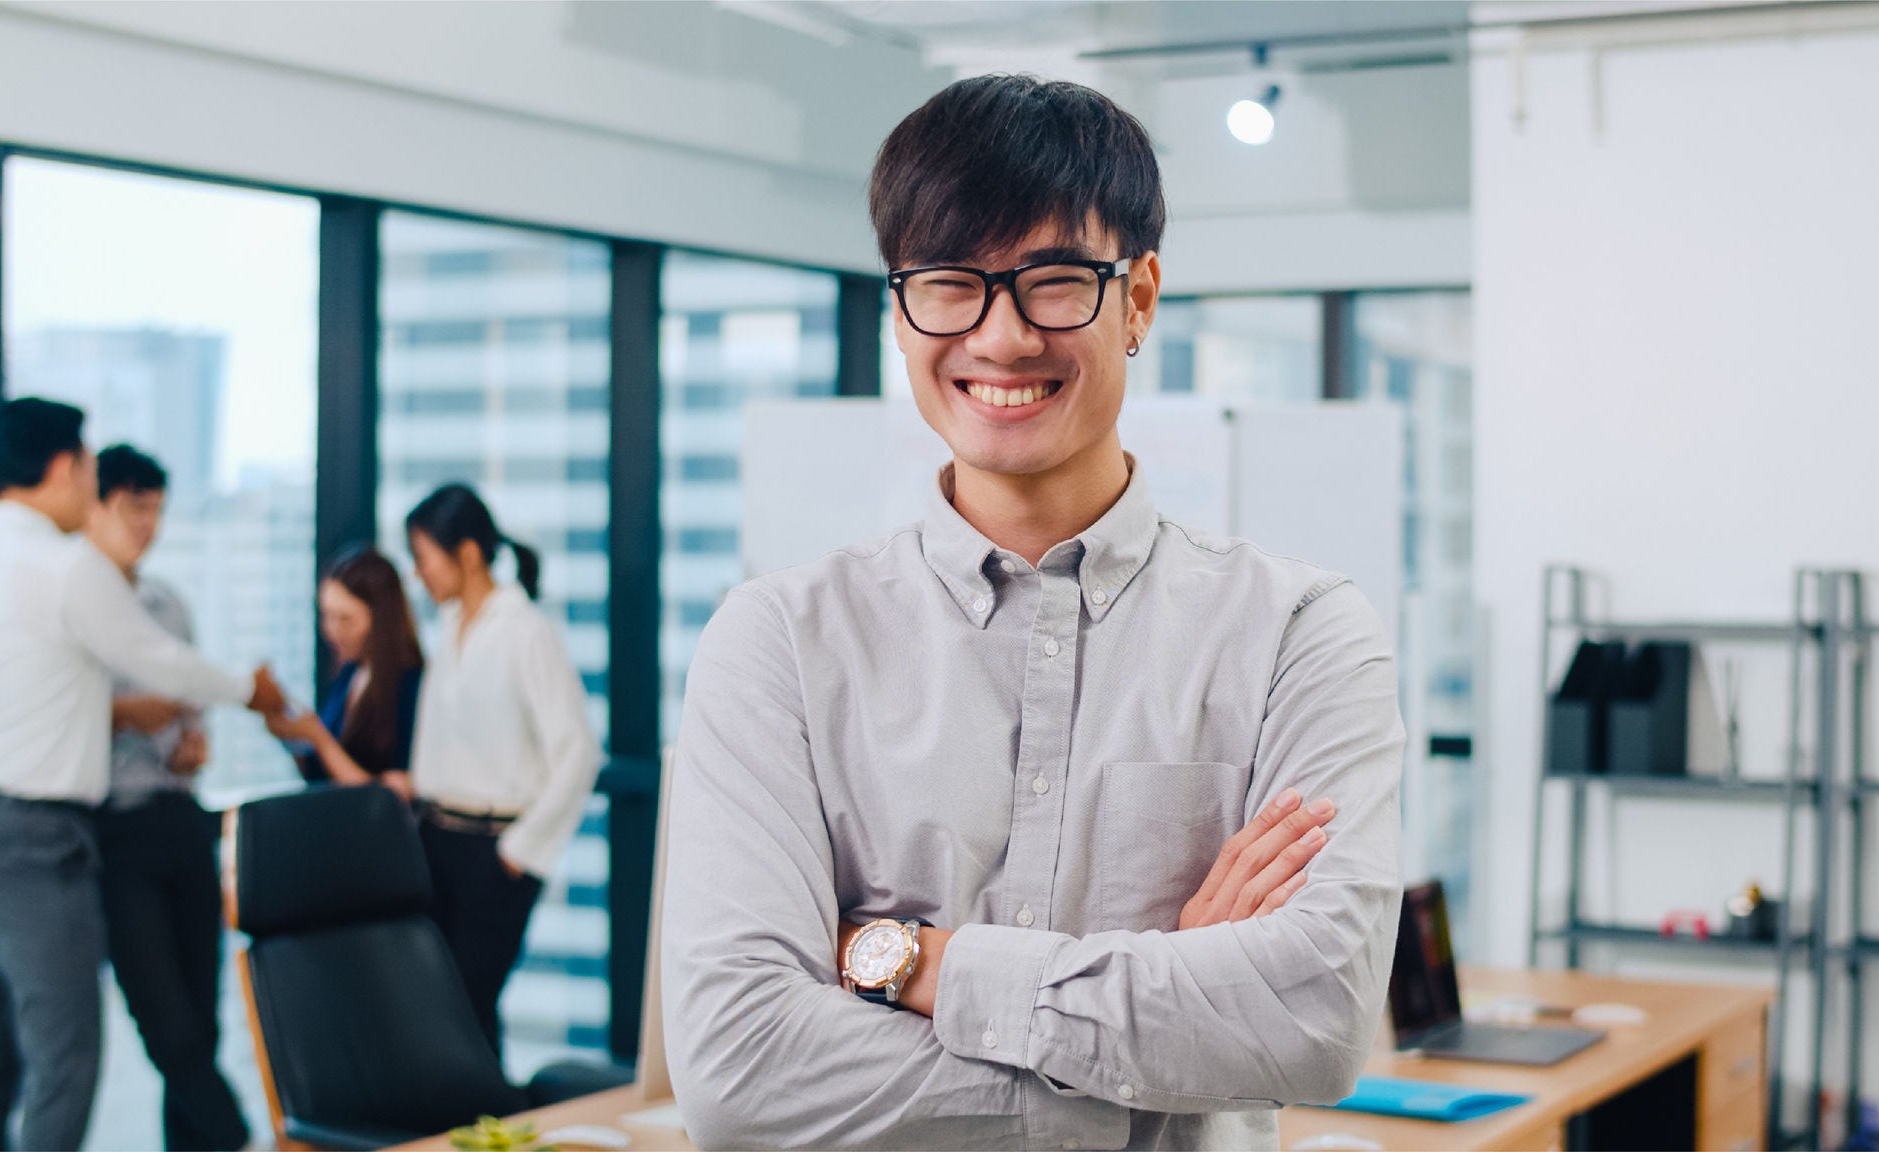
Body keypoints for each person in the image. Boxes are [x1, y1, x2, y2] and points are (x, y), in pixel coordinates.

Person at [663, 76, 1405, 1150]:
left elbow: (1314, 1021)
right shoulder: (776, 641)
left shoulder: (1298, 632)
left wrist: (909, 961)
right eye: (950, 284)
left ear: (1138, 298)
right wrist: (1161, 1041)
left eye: (1054, 281)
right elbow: (738, 1072)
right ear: (899, 304)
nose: (1002, 336)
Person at [0, 399, 284, 1152]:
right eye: (92, 476)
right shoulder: (64, 566)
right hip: (47, 835)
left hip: (77, 830)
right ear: (64, 469)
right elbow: (159, 662)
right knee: (69, 1053)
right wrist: (251, 691)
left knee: (10, 1051)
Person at [84, 445, 251, 1152]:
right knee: (169, 1031)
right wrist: (125, 715)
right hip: (113, 830)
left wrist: (189, 740)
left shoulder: (168, 604)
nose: (146, 524)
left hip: (181, 817)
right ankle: (241, 1139)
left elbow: (192, 716)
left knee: (203, 1026)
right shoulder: (69, 602)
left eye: (155, 508)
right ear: (96, 507)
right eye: (133, 508)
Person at [403, 483, 598, 1056]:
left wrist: (520, 852)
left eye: (424, 558)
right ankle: (475, 1140)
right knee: (450, 1016)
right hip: (438, 840)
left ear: (466, 553)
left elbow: (579, 752)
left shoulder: (524, 630)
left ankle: (490, 1132)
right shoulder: (453, 626)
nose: (419, 575)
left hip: (495, 852)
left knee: (462, 1009)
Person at [265, 545, 424, 801]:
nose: (331, 631)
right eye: (326, 616)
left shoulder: (411, 684)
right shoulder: (351, 673)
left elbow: (390, 798)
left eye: (346, 619)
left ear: (381, 619)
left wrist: (319, 737)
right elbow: (323, 776)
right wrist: (293, 735)